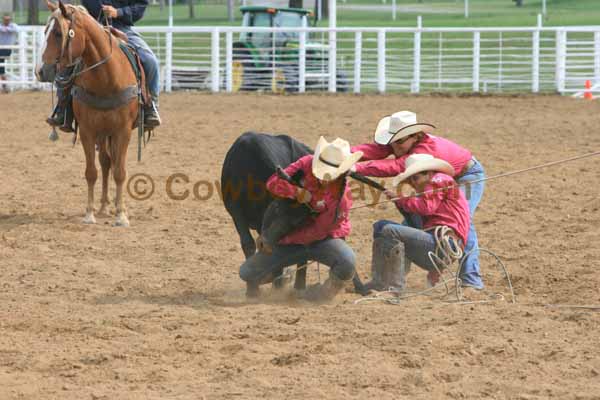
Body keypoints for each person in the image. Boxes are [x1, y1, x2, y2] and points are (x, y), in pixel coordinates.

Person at [352, 110, 485, 289]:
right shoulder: (404, 142)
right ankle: (395, 277)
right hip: (435, 178)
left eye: (399, 142)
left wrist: (356, 167)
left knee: (462, 219)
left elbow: (396, 166)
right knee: (413, 220)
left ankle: (470, 279)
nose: (395, 148)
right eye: (392, 143)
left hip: (467, 174)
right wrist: (346, 154)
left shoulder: (426, 149)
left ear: (415, 136)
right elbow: (375, 150)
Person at [239, 137, 364, 301]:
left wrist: (277, 239)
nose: (323, 179)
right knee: (247, 273)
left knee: (347, 263)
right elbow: (272, 183)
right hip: (294, 232)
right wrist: (296, 192)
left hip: (323, 240)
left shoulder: (343, 199)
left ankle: (323, 293)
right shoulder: (306, 162)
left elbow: (317, 232)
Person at [46, 0, 161, 131]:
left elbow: (140, 5)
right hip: (90, 31)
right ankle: (63, 109)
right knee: (66, 62)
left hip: (122, 29)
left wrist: (119, 12)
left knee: (150, 61)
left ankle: (150, 106)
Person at [365, 153, 470, 292]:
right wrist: (401, 202)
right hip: (441, 245)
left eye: (415, 178)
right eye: (410, 181)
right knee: (383, 226)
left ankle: (391, 286)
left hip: (443, 245)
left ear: (429, 173)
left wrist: (401, 199)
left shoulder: (438, 179)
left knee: (388, 230)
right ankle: (383, 282)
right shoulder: (438, 185)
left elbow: (427, 207)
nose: (414, 183)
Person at [0, 14, 18, 93]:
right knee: (1, 66)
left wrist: (6, 29)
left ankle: (4, 84)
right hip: (1, 48)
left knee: (1, 66)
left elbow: (16, 30)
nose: (7, 21)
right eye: (5, 20)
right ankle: (4, 84)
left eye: (8, 20)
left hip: (7, 49)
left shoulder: (13, 26)